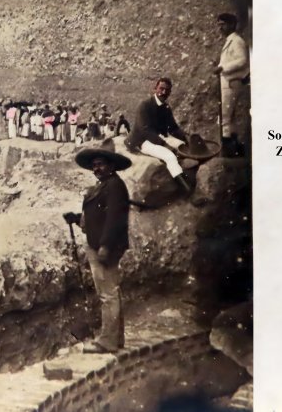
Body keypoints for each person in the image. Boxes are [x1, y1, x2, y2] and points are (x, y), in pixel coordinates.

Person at [63, 140, 131, 353]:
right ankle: (115, 338)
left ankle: (108, 341)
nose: (96, 168)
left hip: (104, 247)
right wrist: (76, 218)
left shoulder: (114, 186)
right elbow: (95, 217)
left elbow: (114, 219)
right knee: (111, 293)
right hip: (100, 243)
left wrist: (105, 246)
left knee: (107, 294)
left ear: (111, 165)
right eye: (94, 165)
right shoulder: (106, 185)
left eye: (101, 164)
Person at [125, 78, 191, 194]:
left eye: (167, 90)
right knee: (169, 156)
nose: (164, 92)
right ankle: (186, 189)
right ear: (155, 89)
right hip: (142, 140)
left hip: (158, 137)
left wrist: (186, 139)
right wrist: (164, 144)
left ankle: (185, 176)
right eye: (161, 88)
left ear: (170, 92)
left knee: (183, 146)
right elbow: (145, 130)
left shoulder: (166, 107)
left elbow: (173, 128)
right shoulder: (145, 105)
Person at [214, 13, 250, 157]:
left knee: (225, 117)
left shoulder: (237, 41)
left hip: (230, 83)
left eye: (223, 25)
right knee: (228, 117)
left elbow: (242, 60)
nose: (220, 28)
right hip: (226, 83)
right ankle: (234, 148)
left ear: (232, 25)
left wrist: (223, 68)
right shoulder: (230, 41)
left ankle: (229, 150)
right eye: (219, 25)